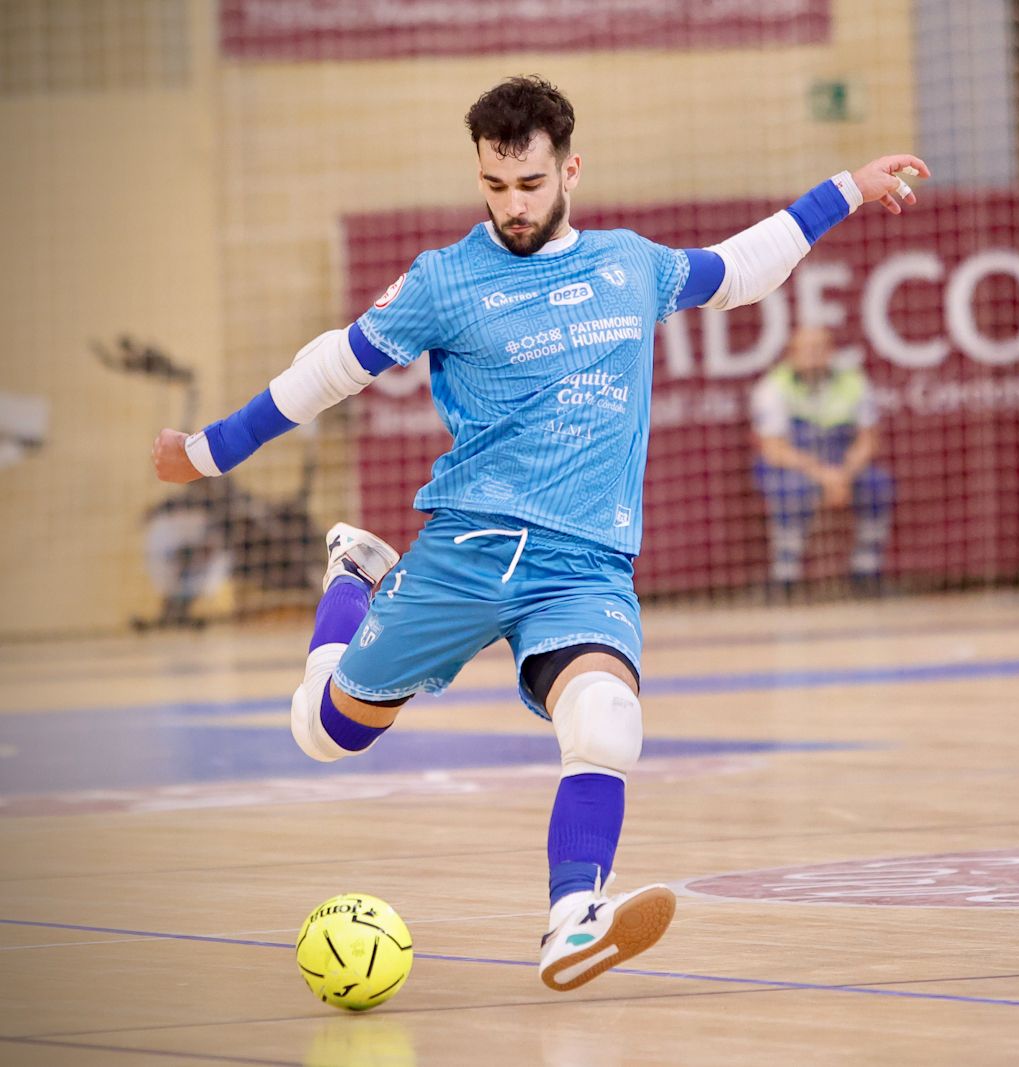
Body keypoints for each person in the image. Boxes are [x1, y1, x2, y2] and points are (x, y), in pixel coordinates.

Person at [150, 75, 929, 991]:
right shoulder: (445, 281)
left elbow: (740, 269)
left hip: (585, 564)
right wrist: (204, 453)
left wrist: (847, 187)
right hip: (468, 550)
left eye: (529, 184)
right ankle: (354, 579)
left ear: (570, 170)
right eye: (494, 185)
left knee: (606, 718)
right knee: (326, 734)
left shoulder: (629, 264)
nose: (512, 206)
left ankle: (572, 920)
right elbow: (329, 370)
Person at [750, 325, 893, 594]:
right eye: (805, 349)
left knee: (877, 483)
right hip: (796, 464)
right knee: (789, 488)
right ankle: (786, 575)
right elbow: (774, 449)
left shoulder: (853, 381)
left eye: (819, 348)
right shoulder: (772, 387)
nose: (812, 355)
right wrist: (824, 476)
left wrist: (844, 474)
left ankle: (866, 571)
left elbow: (869, 439)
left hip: (842, 462)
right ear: (791, 354)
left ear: (831, 352)